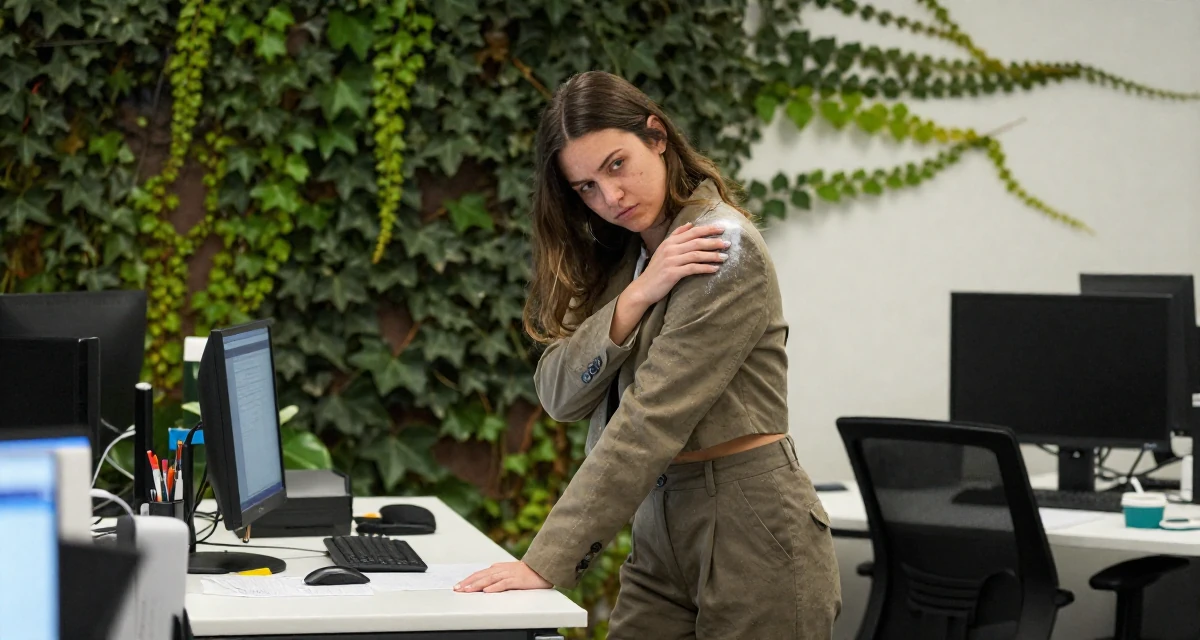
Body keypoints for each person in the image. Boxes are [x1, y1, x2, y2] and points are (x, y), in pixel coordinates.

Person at [455, 70, 842, 638]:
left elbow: (650, 418)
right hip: (660, 524)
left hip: (750, 523)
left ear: (657, 136)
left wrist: (544, 563)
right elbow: (560, 394)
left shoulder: (720, 248)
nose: (610, 197)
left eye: (616, 164)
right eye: (586, 186)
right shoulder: (632, 259)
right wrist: (635, 296)